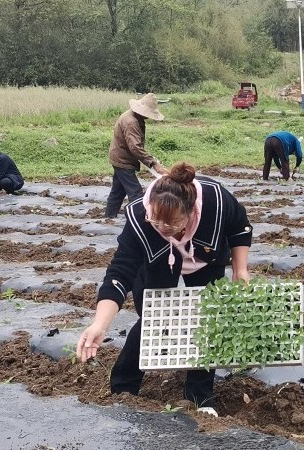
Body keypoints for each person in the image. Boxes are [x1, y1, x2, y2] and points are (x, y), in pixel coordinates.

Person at [76, 162, 253, 418]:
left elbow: (240, 227)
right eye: (156, 220)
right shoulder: (139, 217)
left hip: (205, 259)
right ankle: (123, 388)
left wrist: (241, 270)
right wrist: (100, 325)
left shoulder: (216, 201)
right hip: (159, 263)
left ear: (192, 213)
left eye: (173, 224)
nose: (162, 228)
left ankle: (199, 396)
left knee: (208, 319)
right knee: (151, 318)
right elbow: (120, 272)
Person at [105, 93, 169, 219]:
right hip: (123, 160)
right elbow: (135, 147)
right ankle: (139, 219)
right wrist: (153, 163)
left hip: (119, 157)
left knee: (118, 191)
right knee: (135, 193)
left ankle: (109, 217)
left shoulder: (133, 116)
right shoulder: (131, 122)